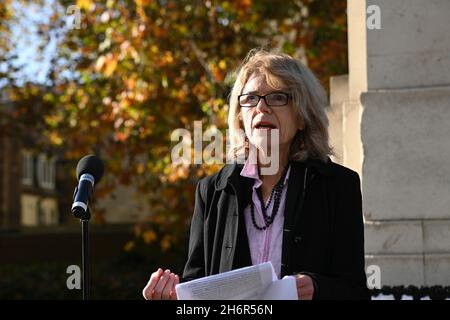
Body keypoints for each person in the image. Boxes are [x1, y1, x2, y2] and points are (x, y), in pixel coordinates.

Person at [142, 49, 369, 300]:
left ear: (303, 116)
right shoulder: (212, 191)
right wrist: (170, 295)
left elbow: (355, 291)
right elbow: (197, 286)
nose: (261, 107)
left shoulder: (337, 185)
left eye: (278, 97)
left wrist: (317, 287)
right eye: (250, 98)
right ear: (240, 118)